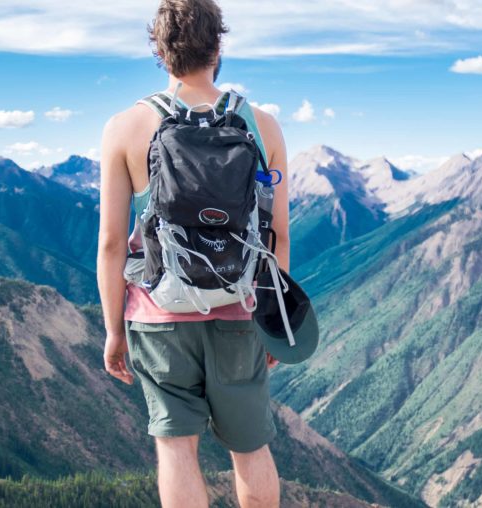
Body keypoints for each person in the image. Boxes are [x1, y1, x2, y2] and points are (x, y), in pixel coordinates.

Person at [96, 1, 290, 506]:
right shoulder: (262, 125)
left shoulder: (124, 128)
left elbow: (113, 244)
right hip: (239, 312)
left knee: (176, 450)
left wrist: (115, 329)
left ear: (159, 52)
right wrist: (276, 319)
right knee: (250, 450)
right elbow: (278, 236)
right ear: (219, 45)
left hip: (158, 317)